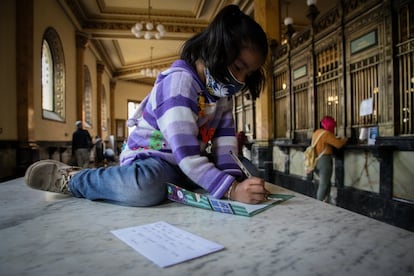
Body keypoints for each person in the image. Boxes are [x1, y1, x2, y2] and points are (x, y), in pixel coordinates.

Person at [24, 5, 269, 206]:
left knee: (249, 171)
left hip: (185, 163)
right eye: (239, 67)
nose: (241, 80)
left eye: (248, 73)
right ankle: (76, 179)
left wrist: (238, 182)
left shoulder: (222, 93)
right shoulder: (179, 83)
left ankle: (194, 181)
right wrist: (231, 190)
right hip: (153, 159)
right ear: (217, 49)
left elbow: (225, 149)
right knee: (145, 189)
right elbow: (185, 153)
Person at [313, 116, 348, 202]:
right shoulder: (326, 134)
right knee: (324, 184)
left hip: (316, 160)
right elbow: (338, 144)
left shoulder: (316, 132)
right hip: (324, 161)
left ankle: (325, 201)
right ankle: (318, 204)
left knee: (326, 182)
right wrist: (345, 140)